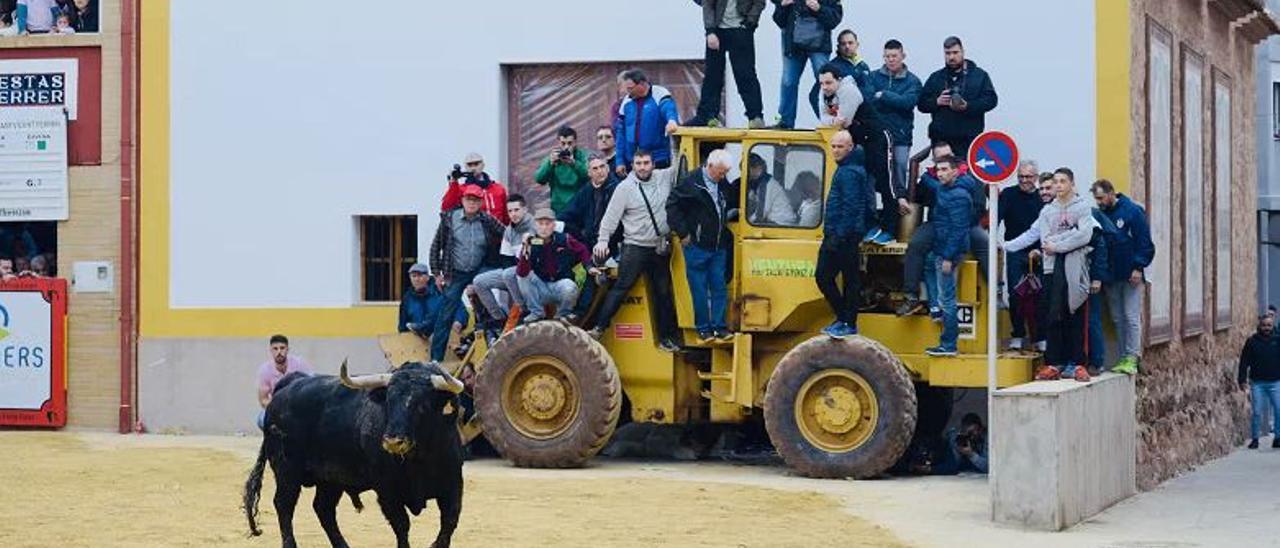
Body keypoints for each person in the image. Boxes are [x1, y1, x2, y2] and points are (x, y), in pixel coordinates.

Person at [1005, 168, 1097, 382]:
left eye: (1063, 181)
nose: (1058, 185)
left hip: (1075, 268)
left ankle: (1078, 363)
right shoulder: (1047, 211)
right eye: (1055, 181)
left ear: (1072, 184)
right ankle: (1054, 363)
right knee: (1052, 315)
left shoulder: (1083, 207)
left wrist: (1059, 245)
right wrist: (1005, 245)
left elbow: (1084, 235)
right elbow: (1038, 237)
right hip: (1050, 269)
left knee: (1075, 314)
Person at [588, 149, 681, 352]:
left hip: (659, 247)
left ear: (653, 164)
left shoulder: (664, 177)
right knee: (621, 288)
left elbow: (681, 158)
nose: (642, 167)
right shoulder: (624, 188)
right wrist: (602, 241)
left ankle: (667, 338)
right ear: (632, 166)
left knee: (664, 293)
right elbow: (610, 217)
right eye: (638, 163)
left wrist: (673, 134)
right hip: (635, 246)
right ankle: (598, 328)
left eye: (646, 163)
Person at [896, 142, 988, 318]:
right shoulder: (929, 178)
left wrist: (961, 223)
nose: (943, 165)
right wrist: (906, 196)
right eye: (939, 160)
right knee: (916, 244)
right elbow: (919, 199)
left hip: (966, 223)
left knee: (984, 243)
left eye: (947, 158)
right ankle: (911, 296)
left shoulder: (970, 177)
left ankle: (996, 290)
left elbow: (979, 206)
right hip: (937, 224)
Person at [428, 185, 505, 362]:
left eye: (476, 200)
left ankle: (490, 355)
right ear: (462, 200)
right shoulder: (449, 219)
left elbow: (507, 233)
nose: (472, 203)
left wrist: (526, 234)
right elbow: (436, 246)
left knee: (484, 310)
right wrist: (436, 273)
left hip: (478, 269)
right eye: (469, 199)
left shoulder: (487, 220)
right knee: (446, 315)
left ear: (481, 203)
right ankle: (435, 360)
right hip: (454, 272)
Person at [667, 149, 736, 342]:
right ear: (710, 166)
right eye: (721, 172)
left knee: (719, 287)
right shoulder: (690, 182)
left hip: (718, 244)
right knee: (699, 288)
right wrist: (683, 233)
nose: (723, 177)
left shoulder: (721, 182)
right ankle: (703, 329)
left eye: (725, 173)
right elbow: (671, 206)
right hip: (697, 245)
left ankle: (719, 327)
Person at [1091, 179, 1153, 376]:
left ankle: (1132, 356)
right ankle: (1122, 356)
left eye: (1101, 198)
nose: (1099, 202)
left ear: (1111, 193)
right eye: (1096, 199)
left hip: (1130, 274)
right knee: (1117, 317)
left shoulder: (1132, 212)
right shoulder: (1100, 215)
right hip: (1111, 274)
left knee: (1130, 315)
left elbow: (1145, 242)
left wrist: (1138, 266)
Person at [815, 130, 869, 338]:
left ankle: (845, 319)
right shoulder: (850, 168)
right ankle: (845, 320)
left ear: (850, 147)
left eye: (840, 147)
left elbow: (851, 207)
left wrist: (838, 236)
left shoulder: (849, 172)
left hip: (843, 235)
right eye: (834, 146)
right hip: (846, 233)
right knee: (848, 278)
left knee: (825, 277)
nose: (836, 150)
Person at [560, 156, 623, 317]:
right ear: (589, 173)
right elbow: (566, 216)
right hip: (588, 242)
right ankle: (563, 305)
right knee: (561, 260)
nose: (599, 171)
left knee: (593, 267)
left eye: (602, 167)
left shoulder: (617, 189)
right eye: (595, 168)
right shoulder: (586, 191)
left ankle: (580, 314)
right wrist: (578, 237)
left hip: (611, 243)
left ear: (608, 169)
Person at [916, 36, 998, 160]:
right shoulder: (936, 77)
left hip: (969, 141)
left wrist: (968, 106)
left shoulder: (979, 76)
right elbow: (921, 104)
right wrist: (936, 102)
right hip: (941, 141)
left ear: (963, 52)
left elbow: (991, 100)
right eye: (947, 53)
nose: (951, 57)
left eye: (955, 52)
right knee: (942, 177)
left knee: (967, 179)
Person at [689, 0, 766, 128]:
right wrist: (710, 31)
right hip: (717, 30)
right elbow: (707, 4)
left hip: (741, 30)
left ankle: (755, 116)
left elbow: (759, 2)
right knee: (713, 75)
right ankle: (708, 116)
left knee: (746, 75)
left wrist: (750, 23)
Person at [924, 155, 971, 357]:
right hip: (940, 248)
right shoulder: (944, 189)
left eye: (945, 169)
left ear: (955, 171)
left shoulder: (959, 196)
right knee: (927, 265)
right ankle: (934, 306)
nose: (941, 173)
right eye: (939, 170)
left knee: (948, 300)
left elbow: (958, 229)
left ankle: (949, 344)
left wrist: (948, 257)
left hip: (948, 252)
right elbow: (932, 183)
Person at [468, 195, 534, 338]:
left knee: (509, 274)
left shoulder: (536, 226)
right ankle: (498, 318)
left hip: (533, 275)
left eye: (516, 210)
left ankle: (524, 310)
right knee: (479, 281)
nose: (513, 214)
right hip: (514, 273)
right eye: (510, 211)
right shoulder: (509, 231)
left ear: (525, 209)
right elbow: (506, 260)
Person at [770, 0, 842, 129]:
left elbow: (834, 20)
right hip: (793, 44)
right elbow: (779, 20)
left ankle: (832, 119)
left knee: (827, 81)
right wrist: (783, 6)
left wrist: (819, 9)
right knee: (788, 82)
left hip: (819, 44)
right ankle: (785, 122)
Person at [517, 209, 598, 323]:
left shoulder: (564, 239)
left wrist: (588, 266)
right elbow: (522, 273)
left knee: (570, 287)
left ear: (554, 225)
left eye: (547, 223)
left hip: (560, 286)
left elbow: (582, 250)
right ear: (535, 226)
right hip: (541, 287)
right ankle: (536, 312)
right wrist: (525, 249)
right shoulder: (532, 242)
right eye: (540, 224)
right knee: (520, 277)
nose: (544, 228)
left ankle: (562, 315)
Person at [999, 160, 1048, 351]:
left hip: (1040, 251)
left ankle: (1040, 337)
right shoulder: (1009, 195)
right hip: (1015, 251)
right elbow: (996, 217)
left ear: (1036, 178)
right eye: (1021, 176)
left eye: (1028, 177)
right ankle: (1018, 334)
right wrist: (993, 241)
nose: (1024, 180)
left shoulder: (1042, 197)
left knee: (1041, 296)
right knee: (1015, 294)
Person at [868, 39, 923, 201]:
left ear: (903, 56)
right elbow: (869, 99)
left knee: (899, 169)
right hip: (877, 136)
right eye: (887, 56)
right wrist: (894, 100)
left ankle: (899, 204)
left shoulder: (913, 81)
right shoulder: (873, 76)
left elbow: (907, 103)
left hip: (901, 137)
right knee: (874, 173)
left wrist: (884, 95)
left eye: (894, 56)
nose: (891, 59)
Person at [613, 70, 680, 178]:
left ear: (642, 84)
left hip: (658, 159)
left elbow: (668, 108)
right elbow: (620, 132)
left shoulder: (659, 93)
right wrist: (619, 160)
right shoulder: (626, 102)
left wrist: (672, 120)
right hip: (633, 160)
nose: (627, 92)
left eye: (630, 88)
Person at [255, 334, 313, 430]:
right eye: (275, 349)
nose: (279, 352)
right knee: (261, 420)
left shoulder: (300, 364)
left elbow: (311, 386)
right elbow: (263, 399)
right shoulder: (265, 370)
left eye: (282, 348)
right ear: (271, 351)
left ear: (288, 349)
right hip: (277, 408)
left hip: (299, 407)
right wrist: (277, 408)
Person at [1240, 314, 1280, 449]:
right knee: (1257, 411)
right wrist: (1242, 379)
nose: (1266, 328)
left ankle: (1278, 437)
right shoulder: (1252, 341)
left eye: (1269, 325)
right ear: (1259, 326)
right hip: (1258, 382)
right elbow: (1244, 361)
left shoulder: (1278, 340)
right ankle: (1255, 439)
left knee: (1279, 410)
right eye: (1264, 325)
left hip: (1275, 381)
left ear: (1272, 326)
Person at [399, 263, 467, 341]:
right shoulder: (407, 298)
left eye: (420, 276)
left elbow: (460, 309)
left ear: (427, 277)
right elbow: (403, 326)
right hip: (417, 343)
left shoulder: (441, 291)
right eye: (414, 276)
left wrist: (459, 321)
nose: (417, 279)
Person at [441, 152, 510, 225]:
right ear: (466, 167)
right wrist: (453, 183)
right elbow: (446, 208)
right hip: (474, 233)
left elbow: (507, 215)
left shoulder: (498, 189)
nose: (473, 168)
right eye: (470, 165)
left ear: (483, 165)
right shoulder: (461, 189)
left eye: (476, 164)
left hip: (498, 233)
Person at [534, 126, 591, 214]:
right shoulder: (553, 157)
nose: (566, 147)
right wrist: (550, 164)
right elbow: (539, 179)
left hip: (580, 208)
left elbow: (590, 175)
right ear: (558, 143)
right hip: (559, 209)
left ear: (575, 143)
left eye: (569, 143)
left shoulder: (582, 156)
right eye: (563, 143)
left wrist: (574, 164)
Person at [816, 64, 863, 130]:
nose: (824, 87)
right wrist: (833, 121)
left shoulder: (848, 90)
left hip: (867, 133)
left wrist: (831, 121)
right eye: (821, 83)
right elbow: (823, 117)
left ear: (839, 80)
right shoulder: (824, 91)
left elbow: (844, 123)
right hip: (848, 133)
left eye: (828, 83)